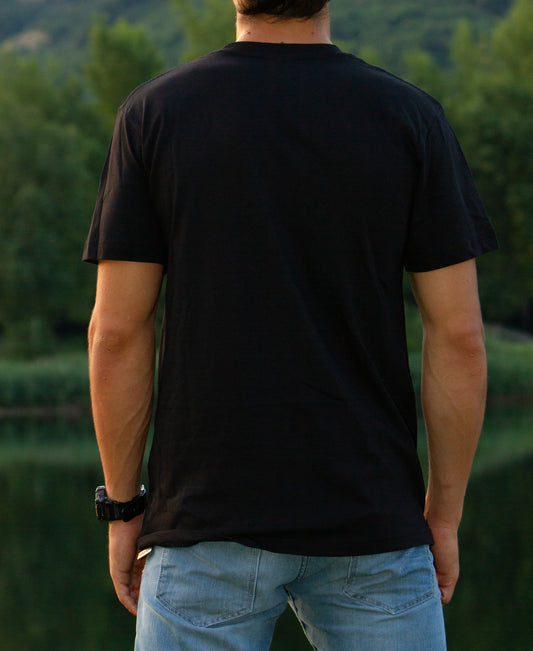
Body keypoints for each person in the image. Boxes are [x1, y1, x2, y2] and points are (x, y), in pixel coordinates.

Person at [84, 1, 498, 648]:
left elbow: (116, 334)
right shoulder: (409, 117)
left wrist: (123, 507)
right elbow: (459, 337)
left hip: (204, 521)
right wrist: (442, 517)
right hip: (373, 523)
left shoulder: (155, 115)